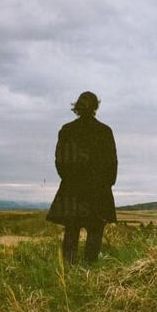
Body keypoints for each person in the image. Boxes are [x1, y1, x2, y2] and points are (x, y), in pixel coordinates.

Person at [46, 91, 117, 265]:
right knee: (95, 231)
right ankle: (89, 271)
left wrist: (70, 180)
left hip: (73, 189)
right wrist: (107, 184)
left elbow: (59, 161)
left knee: (71, 230)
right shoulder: (104, 131)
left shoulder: (67, 130)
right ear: (96, 107)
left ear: (77, 106)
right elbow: (112, 163)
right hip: (98, 190)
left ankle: (69, 272)